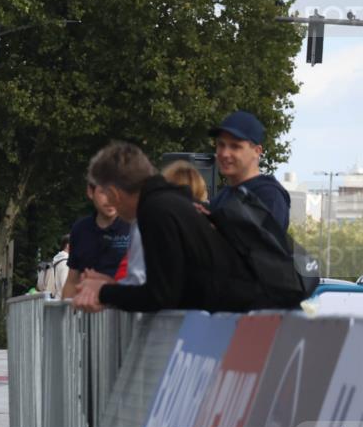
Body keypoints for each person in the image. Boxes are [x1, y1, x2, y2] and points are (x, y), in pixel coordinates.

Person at [72, 141, 264, 313]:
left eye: (108, 195)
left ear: (115, 193)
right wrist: (111, 286)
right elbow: (174, 285)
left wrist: (103, 292)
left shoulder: (155, 210)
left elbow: (160, 295)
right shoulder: (171, 201)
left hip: (237, 322)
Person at [208, 110, 290, 232]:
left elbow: (261, 246)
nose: (224, 153)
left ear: (257, 151)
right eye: (221, 145)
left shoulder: (269, 195)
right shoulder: (223, 195)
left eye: (235, 146)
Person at [61, 181, 131, 299]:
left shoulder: (135, 226)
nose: (111, 199)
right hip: (87, 314)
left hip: (127, 312)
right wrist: (63, 314)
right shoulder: (80, 229)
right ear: (90, 191)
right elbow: (72, 280)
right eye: (104, 191)